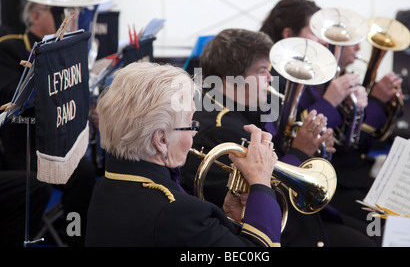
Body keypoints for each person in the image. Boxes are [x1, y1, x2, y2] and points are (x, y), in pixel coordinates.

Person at [180, 28, 377, 247]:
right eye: (262, 70)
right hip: (280, 232)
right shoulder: (218, 130)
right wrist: (301, 151)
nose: (270, 78)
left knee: (372, 233)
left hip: (298, 217)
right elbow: (254, 199)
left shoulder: (249, 111)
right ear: (231, 80)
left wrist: (314, 146)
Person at [85, 62, 282, 247]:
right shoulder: (178, 212)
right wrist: (261, 181)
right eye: (190, 124)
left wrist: (227, 216)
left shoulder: (106, 184)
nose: (194, 134)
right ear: (161, 140)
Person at [260, 0, 403, 235]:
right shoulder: (272, 81)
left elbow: (354, 139)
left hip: (334, 176)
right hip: (308, 186)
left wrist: (374, 105)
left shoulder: (320, 77)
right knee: (376, 233)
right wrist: (331, 101)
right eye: (316, 32)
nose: (324, 41)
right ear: (288, 34)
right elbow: (285, 136)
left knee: (391, 225)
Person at [0, 1, 96, 246]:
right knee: (38, 184)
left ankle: (73, 235)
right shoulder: (9, 47)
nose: (62, 17)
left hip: (55, 139)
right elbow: (9, 95)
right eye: (56, 13)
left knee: (84, 172)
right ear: (35, 15)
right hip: (24, 145)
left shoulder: (59, 50)